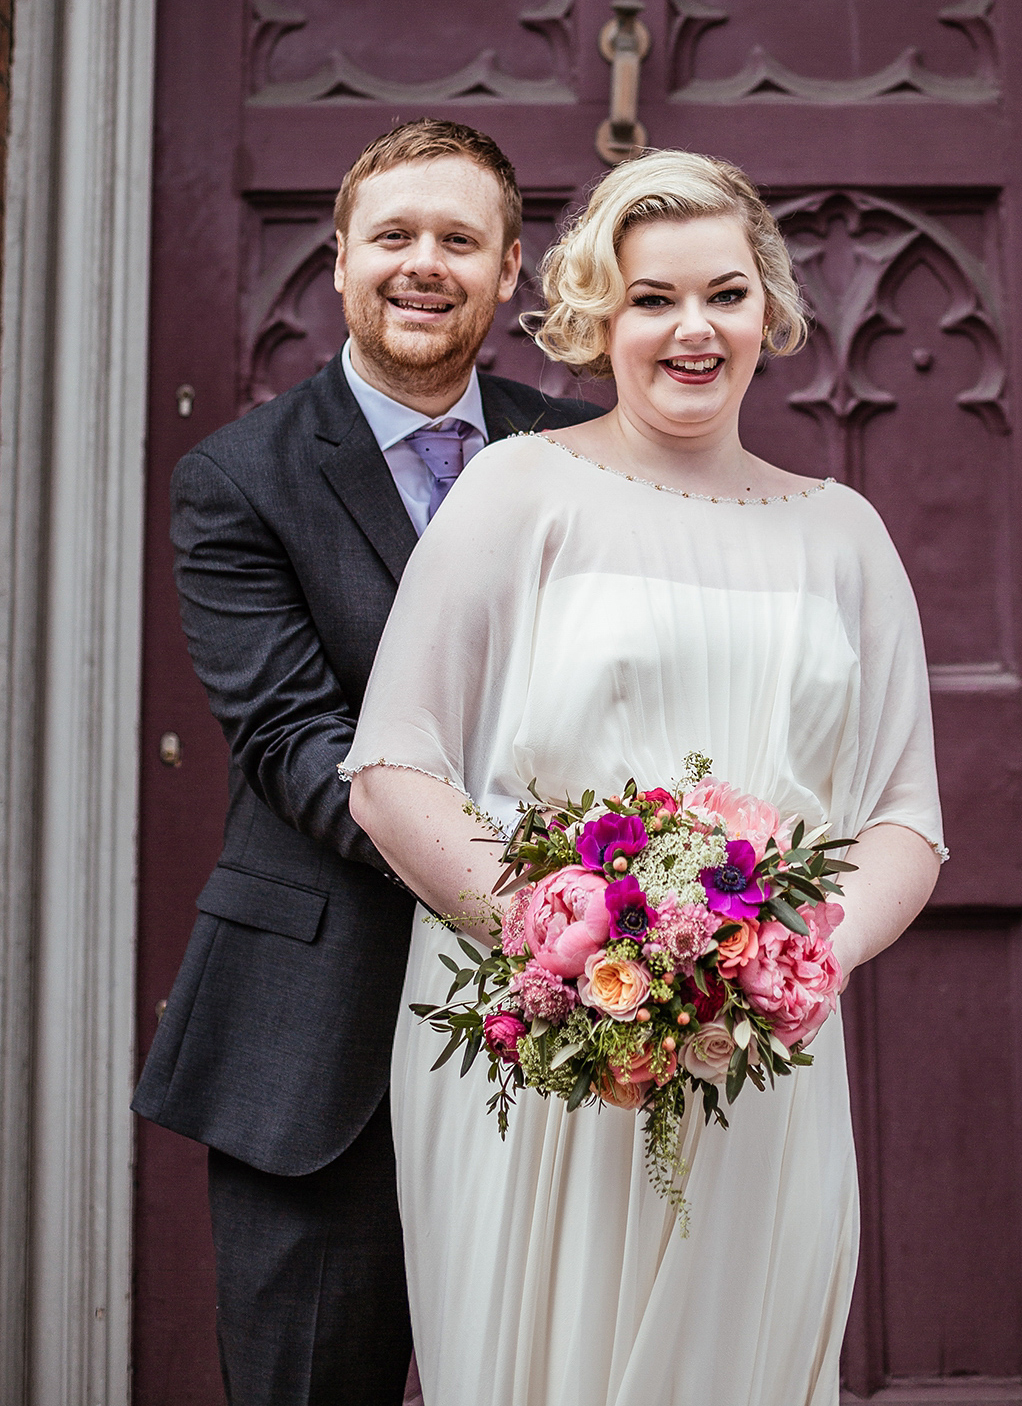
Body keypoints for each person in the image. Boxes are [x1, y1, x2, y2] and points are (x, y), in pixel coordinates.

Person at [345, 149, 947, 1406]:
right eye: (652, 298)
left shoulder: (844, 534)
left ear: (770, 313)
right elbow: (394, 768)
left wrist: (790, 967)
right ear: (595, 316)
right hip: (544, 1046)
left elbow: (904, 820)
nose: (692, 329)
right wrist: (564, 949)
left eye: (725, 295)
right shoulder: (520, 488)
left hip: (754, 1054)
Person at [132, 119, 602, 1406]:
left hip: (570, 1041)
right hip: (315, 1033)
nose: (423, 264)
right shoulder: (238, 478)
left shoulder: (584, 459)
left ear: (513, 269)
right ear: (339, 259)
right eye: (393, 235)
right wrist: (526, 896)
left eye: (461, 239)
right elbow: (292, 740)